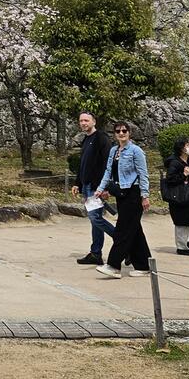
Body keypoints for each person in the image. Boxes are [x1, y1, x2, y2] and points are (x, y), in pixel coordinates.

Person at [93, 123, 151, 279]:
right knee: (134, 230)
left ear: (129, 133)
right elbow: (108, 172)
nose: (121, 133)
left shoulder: (136, 151)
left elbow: (143, 174)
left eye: (124, 131)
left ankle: (113, 265)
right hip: (121, 193)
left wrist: (145, 196)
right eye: (118, 131)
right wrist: (100, 188)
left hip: (134, 193)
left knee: (122, 230)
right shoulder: (114, 151)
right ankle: (144, 265)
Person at [71, 112, 115, 265]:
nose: (83, 123)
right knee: (94, 219)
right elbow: (83, 164)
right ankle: (96, 252)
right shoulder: (86, 139)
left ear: (93, 121)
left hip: (97, 186)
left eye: (86, 120)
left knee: (95, 218)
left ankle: (123, 241)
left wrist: (104, 187)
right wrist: (78, 183)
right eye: (81, 120)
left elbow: (107, 164)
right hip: (87, 185)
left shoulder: (101, 138)